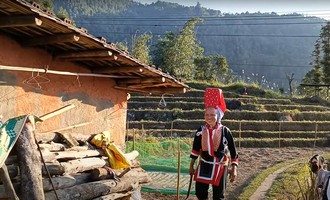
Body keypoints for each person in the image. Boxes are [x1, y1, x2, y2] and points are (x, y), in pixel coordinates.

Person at [189, 88, 238, 200]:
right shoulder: (201, 131)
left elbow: (233, 152)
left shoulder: (225, 131)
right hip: (204, 164)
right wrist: (191, 165)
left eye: (212, 115)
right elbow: (195, 149)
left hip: (220, 166)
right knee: (200, 194)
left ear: (218, 116)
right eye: (207, 115)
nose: (209, 117)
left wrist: (234, 168)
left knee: (218, 196)